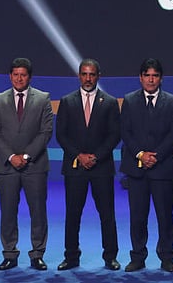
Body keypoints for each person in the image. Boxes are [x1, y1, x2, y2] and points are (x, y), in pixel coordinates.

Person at [55, 58, 121, 271]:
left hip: (101, 167)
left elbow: (114, 135)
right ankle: (71, 257)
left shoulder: (110, 102)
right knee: (73, 214)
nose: (88, 78)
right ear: (79, 75)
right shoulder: (67, 101)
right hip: (75, 167)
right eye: (84, 74)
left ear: (98, 76)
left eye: (92, 74)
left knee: (107, 214)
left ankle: (110, 256)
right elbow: (61, 135)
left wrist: (96, 157)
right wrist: (79, 156)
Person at [0, 57, 54, 271]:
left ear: (30, 77)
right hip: (7, 166)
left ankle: (37, 254)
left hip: (34, 166)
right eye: (15, 74)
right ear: (10, 76)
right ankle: (10, 254)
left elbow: (46, 132)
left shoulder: (43, 98)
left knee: (38, 211)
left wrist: (25, 157)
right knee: (8, 212)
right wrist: (11, 157)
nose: (19, 78)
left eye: (23, 75)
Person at [120, 57, 173, 272]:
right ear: (140, 78)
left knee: (165, 216)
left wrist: (155, 156)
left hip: (162, 168)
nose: (151, 79)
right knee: (137, 216)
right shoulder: (129, 100)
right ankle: (137, 256)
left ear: (161, 78)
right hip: (136, 169)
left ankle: (166, 257)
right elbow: (125, 132)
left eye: (155, 75)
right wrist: (140, 155)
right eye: (147, 75)